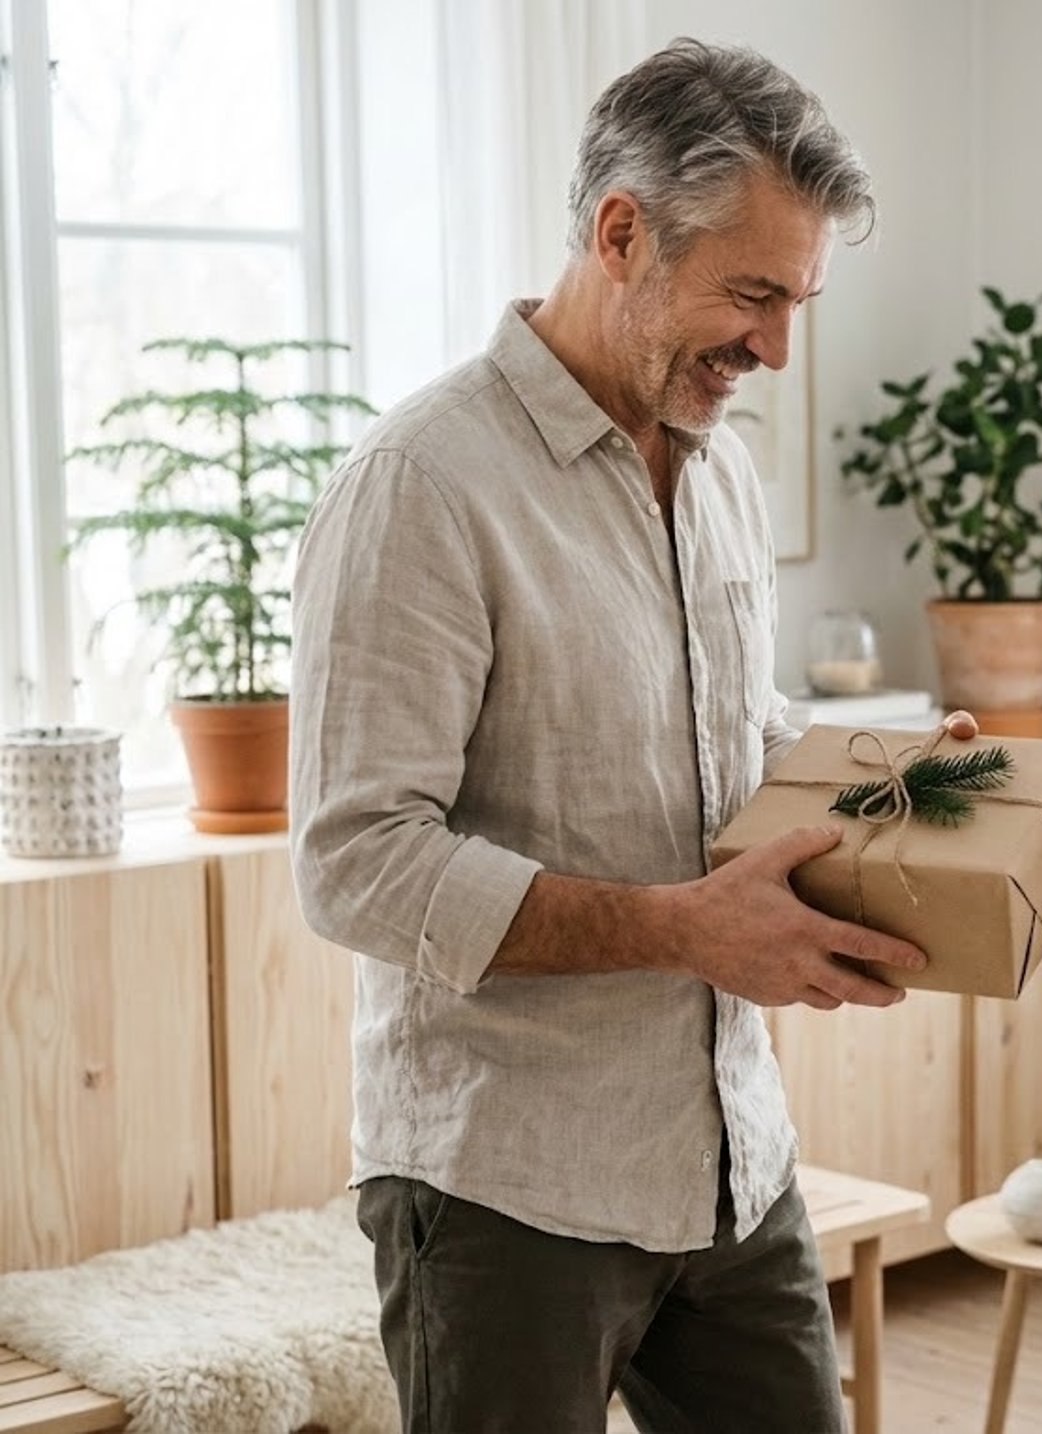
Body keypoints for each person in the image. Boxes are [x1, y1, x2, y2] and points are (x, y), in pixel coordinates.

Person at [290, 38, 950, 1434]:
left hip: (730, 1159)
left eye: (798, 300)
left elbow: (732, 730)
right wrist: (682, 928)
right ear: (619, 233)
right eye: (753, 292)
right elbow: (356, 858)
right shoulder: (422, 484)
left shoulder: (717, 470)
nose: (776, 347)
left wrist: (903, 784)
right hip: (503, 1188)